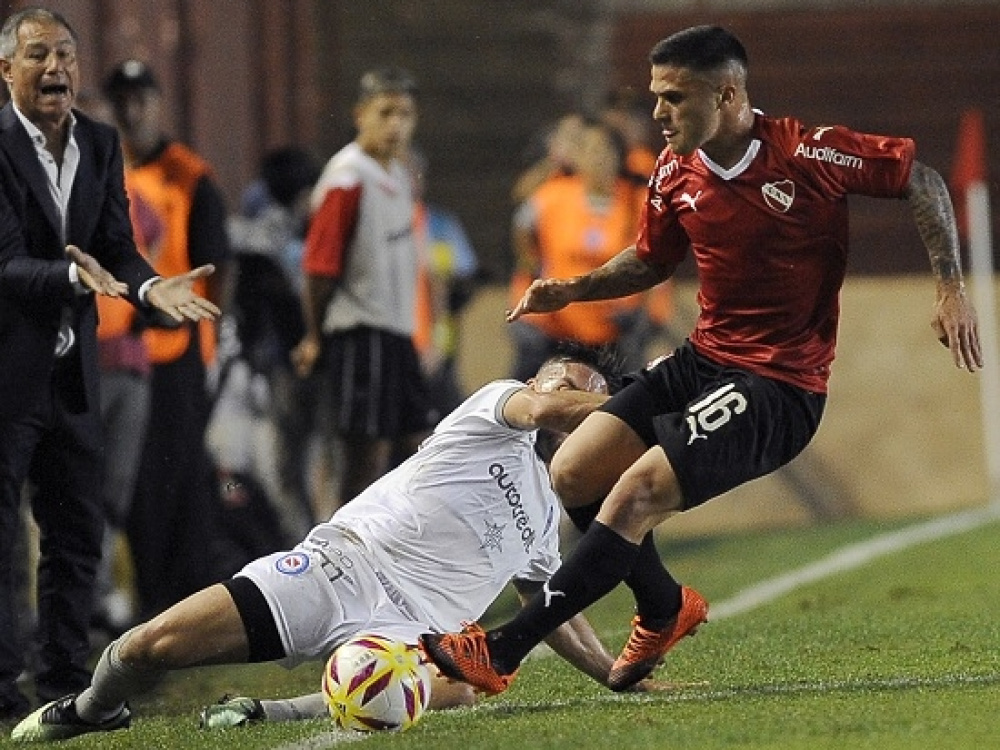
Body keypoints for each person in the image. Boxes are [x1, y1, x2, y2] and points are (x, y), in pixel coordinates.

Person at [419, 24, 983, 696]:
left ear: (728, 94)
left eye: (674, 98)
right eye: (656, 97)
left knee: (634, 493)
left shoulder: (808, 152)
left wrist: (950, 286)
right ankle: (663, 608)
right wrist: (574, 287)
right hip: (704, 360)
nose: (658, 112)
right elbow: (653, 260)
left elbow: (921, 180)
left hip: (778, 383)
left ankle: (503, 651)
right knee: (571, 473)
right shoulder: (672, 170)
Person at [10, 345, 672, 743]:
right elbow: (545, 409)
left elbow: (552, 605)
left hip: (413, 630)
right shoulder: (500, 409)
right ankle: (94, 711)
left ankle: (266, 711)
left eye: (581, 393)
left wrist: (615, 674)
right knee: (144, 647)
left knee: (461, 687)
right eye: (556, 380)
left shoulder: (551, 509)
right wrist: (640, 404)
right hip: (339, 567)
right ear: (536, 382)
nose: (556, 395)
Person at [0, 7, 220, 722]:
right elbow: (5, 263)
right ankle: (1, 685)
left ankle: (64, 677)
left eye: (65, 53)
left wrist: (152, 285)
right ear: (7, 70)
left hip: (75, 372)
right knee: (4, 537)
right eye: (37, 54)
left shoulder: (98, 142)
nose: (55, 66)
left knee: (76, 529)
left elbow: (116, 246)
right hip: (9, 370)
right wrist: (72, 280)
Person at [101, 59, 234, 619]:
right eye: (123, 100)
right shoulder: (105, 169)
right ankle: (148, 597)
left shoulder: (188, 175)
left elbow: (215, 265)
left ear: (157, 103)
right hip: (120, 352)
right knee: (132, 486)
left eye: (142, 98)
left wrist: (211, 336)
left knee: (170, 480)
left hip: (176, 352)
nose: (133, 111)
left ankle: (178, 598)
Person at [293, 67, 436, 507]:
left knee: (421, 445)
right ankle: (343, 555)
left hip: (396, 332)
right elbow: (319, 268)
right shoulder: (347, 178)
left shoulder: (397, 174)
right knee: (365, 456)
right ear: (361, 115)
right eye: (385, 112)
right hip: (361, 332)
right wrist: (314, 336)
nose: (396, 125)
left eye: (405, 114)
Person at [508, 118, 672, 381]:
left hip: (614, 331)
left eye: (607, 152)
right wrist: (529, 264)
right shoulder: (554, 195)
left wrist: (648, 314)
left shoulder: (634, 201)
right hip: (555, 328)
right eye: (591, 151)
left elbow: (655, 258)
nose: (599, 159)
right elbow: (522, 223)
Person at [408, 144, 479, 416]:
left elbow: (463, 276)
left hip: (439, 341)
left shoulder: (440, 225)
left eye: (416, 175)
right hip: (399, 341)